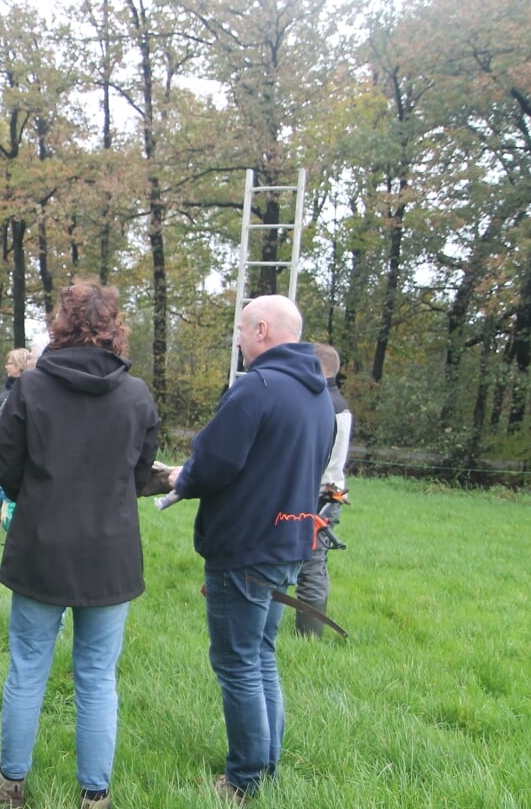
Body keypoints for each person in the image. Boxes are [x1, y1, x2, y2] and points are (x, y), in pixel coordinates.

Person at [0, 282, 160, 809]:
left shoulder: (32, 388)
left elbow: (8, 468)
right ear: (114, 325)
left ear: (60, 323)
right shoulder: (136, 395)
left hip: (44, 543)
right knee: (96, 676)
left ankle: (11, 785)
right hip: (108, 549)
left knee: (29, 667)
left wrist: (40, 503)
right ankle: (95, 795)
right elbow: (139, 472)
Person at [165, 294, 334, 804]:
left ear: (262, 330)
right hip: (289, 542)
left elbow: (214, 462)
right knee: (261, 656)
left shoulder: (256, 388)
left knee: (238, 662)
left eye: (240, 330)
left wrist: (181, 477)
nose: (238, 340)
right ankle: (267, 763)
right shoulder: (317, 393)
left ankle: (243, 779)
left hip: (244, 545)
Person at [294, 343, 352, 637]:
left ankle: (308, 638)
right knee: (310, 567)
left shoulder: (325, 404)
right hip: (321, 494)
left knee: (311, 568)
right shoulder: (332, 401)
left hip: (319, 499)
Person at [0, 347, 33, 530]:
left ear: (20, 366)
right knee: (0, 485)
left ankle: (8, 525)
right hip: (0, 443)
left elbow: (11, 417)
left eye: (10, 363)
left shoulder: (23, 389)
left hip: (11, 444)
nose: (6, 366)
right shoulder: (7, 388)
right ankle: (0, 524)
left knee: (7, 487)